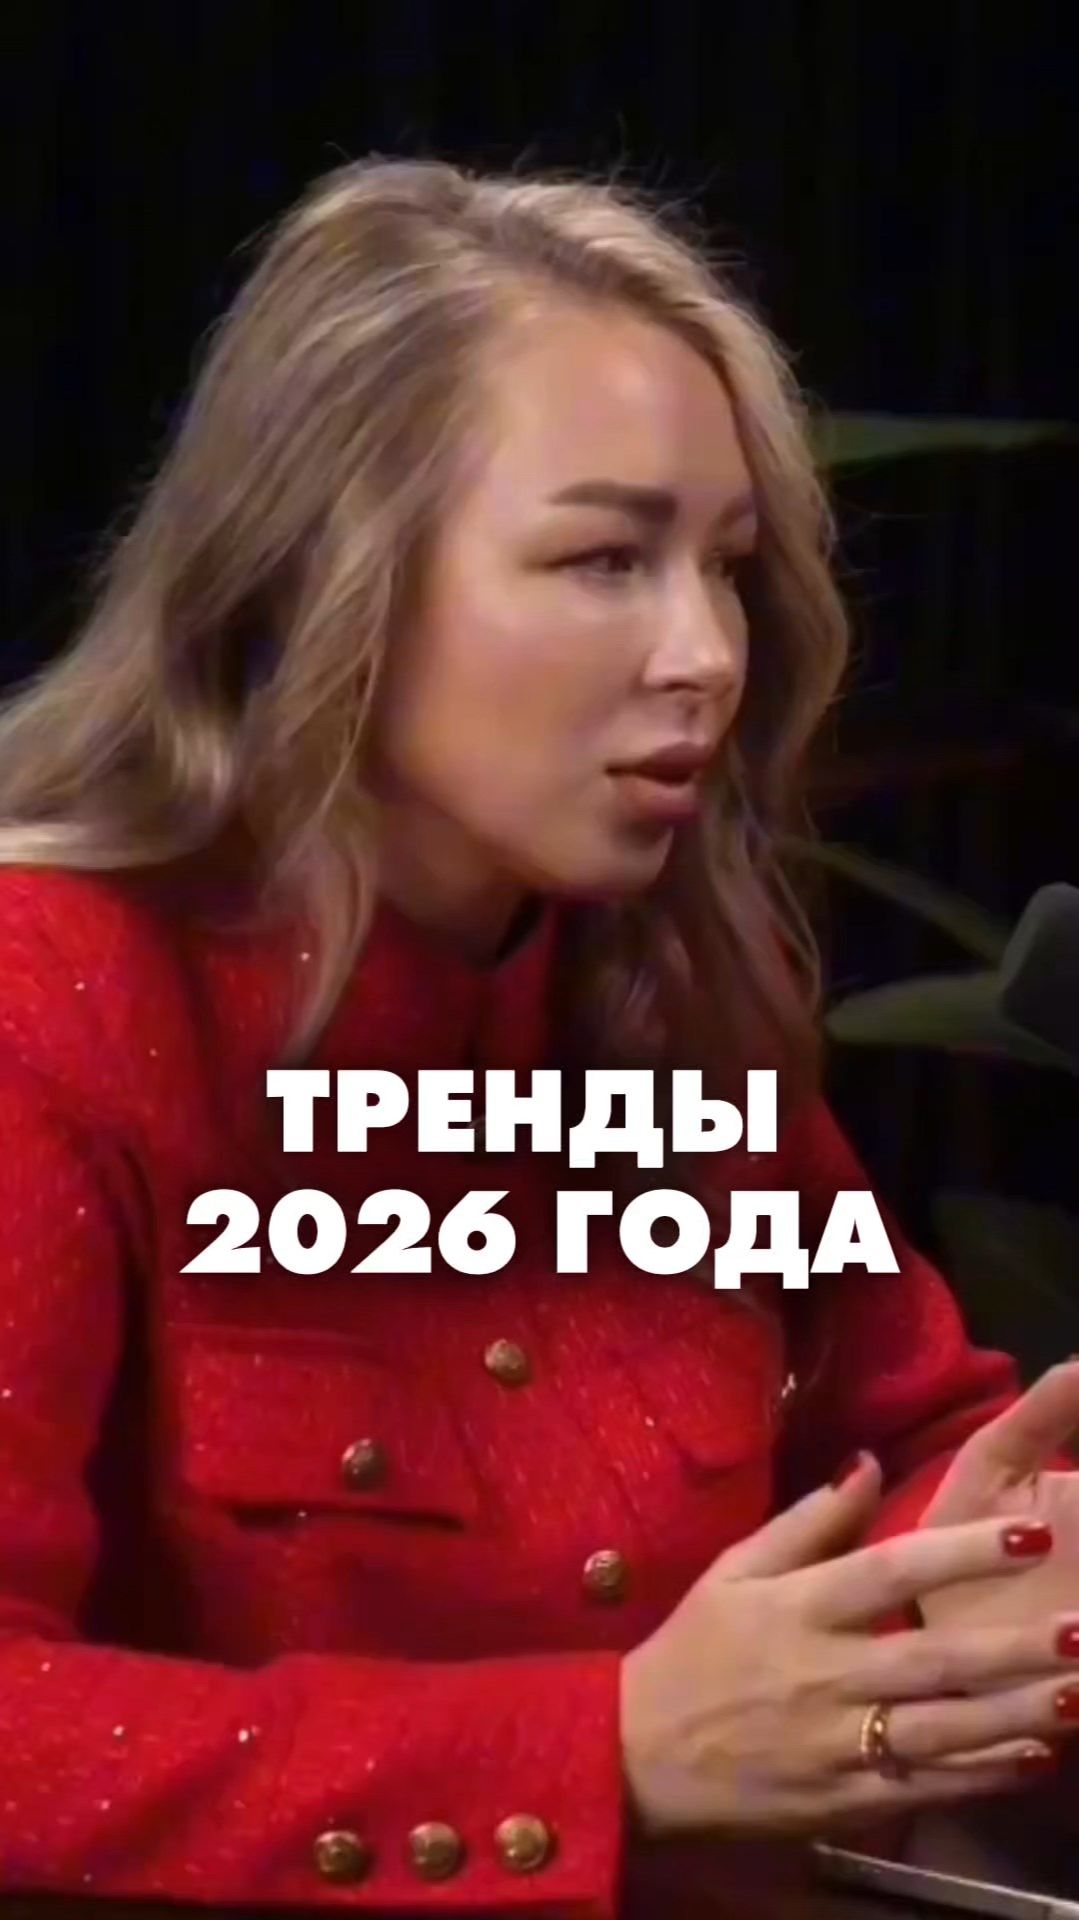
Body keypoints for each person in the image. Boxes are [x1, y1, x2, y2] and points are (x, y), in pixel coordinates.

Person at [0, 155, 1077, 1919]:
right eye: (603, 559)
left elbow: (912, 1449)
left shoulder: (670, 1004)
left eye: (726, 568)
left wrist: (1014, 1559)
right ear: (324, 576)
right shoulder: (48, 1004)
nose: (706, 653)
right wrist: (604, 1753)